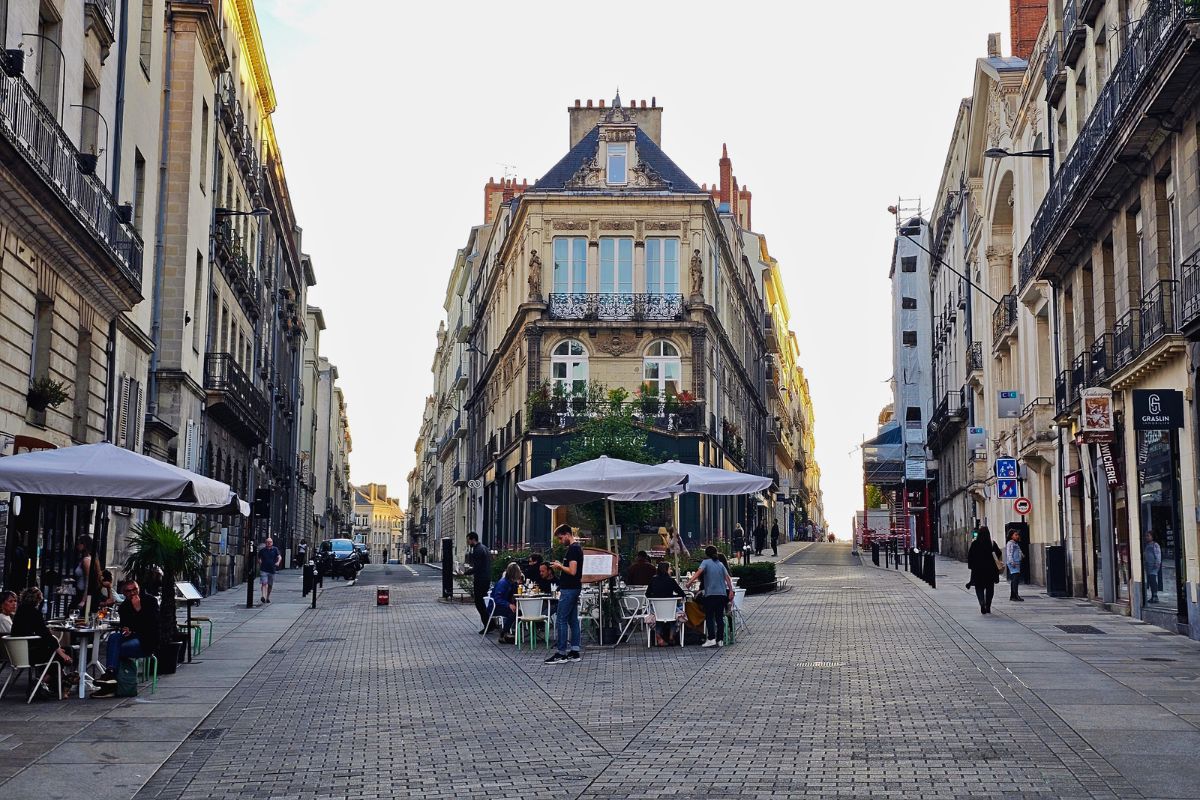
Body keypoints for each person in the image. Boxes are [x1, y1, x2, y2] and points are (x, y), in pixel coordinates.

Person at [545, 524, 583, 665]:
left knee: (561, 619)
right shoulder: (576, 548)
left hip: (569, 589)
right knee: (573, 620)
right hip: (574, 588)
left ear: (567, 534)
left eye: (561, 538)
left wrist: (560, 566)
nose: (561, 541)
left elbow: (572, 571)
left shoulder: (573, 550)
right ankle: (574, 651)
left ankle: (561, 653)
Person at [12, 587, 73, 671]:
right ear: (38, 600)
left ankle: (54, 677)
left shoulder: (20, 611)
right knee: (66, 651)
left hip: (18, 653)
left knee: (56, 651)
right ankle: (47, 679)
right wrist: (59, 650)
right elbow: (45, 634)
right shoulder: (34, 613)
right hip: (30, 655)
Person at [687, 545, 735, 647]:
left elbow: (698, 573)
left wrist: (690, 582)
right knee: (719, 617)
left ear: (706, 554)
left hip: (710, 595)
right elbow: (728, 579)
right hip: (722, 595)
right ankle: (720, 640)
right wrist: (730, 591)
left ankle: (712, 638)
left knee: (709, 617)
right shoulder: (721, 564)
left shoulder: (706, 562)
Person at [646, 562, 686, 646]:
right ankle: (671, 636)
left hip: (657, 610)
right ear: (667, 570)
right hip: (670, 609)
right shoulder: (671, 580)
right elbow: (682, 593)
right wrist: (673, 597)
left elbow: (647, 594)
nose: (671, 570)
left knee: (659, 618)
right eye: (670, 568)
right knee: (673, 616)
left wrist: (656, 596)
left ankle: (658, 636)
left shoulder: (653, 580)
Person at [966, 526, 1002, 614]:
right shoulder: (992, 543)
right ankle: (988, 605)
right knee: (990, 588)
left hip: (978, 571)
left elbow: (970, 556)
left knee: (979, 588)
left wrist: (971, 566)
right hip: (990, 571)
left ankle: (982, 603)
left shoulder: (975, 544)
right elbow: (999, 553)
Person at [464, 532, 493, 633]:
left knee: (479, 603)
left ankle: (489, 624)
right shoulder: (484, 548)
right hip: (486, 577)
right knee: (483, 601)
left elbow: (477, 567)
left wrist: (466, 572)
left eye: (468, 540)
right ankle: (490, 623)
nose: (467, 542)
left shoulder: (477, 550)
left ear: (472, 539)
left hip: (480, 579)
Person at [491, 563, 521, 644]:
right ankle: (504, 633)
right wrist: (509, 604)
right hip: (496, 607)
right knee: (516, 613)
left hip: (502, 605)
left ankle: (508, 633)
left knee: (518, 612)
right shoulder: (503, 583)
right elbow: (497, 598)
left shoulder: (510, 582)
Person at [71, 535, 102, 612]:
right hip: (80, 593)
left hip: (82, 595)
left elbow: (88, 581)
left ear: (84, 545)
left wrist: (83, 600)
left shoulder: (86, 560)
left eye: (79, 543)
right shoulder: (86, 559)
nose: (77, 546)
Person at [258, 537, 282, 604]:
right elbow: (259, 558)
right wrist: (260, 562)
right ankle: (263, 596)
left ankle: (267, 597)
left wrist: (278, 562)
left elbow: (279, 557)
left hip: (272, 569)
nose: (269, 543)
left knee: (270, 585)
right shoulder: (262, 550)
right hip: (264, 569)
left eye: (270, 542)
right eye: (267, 542)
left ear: (272, 543)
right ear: (266, 543)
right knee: (264, 583)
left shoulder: (275, 549)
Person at [1005, 528, 1024, 602]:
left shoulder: (1015, 543)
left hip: (1017, 562)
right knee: (1015, 580)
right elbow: (1009, 553)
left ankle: (1013, 595)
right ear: (1011, 536)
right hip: (1013, 563)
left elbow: (1019, 551)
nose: (1017, 536)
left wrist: (1021, 555)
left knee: (1015, 580)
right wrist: (1012, 562)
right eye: (1015, 535)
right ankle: (1015, 595)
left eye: (1017, 535)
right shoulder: (1010, 543)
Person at [1143, 531, 1162, 603]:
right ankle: (1153, 596)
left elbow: (1158, 555)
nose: (1146, 537)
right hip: (1148, 566)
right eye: (1146, 536)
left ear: (1152, 537)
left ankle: (1155, 596)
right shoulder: (1147, 545)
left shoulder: (1155, 545)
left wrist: (1157, 563)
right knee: (1151, 581)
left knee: (1153, 580)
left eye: (1148, 536)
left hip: (1154, 566)